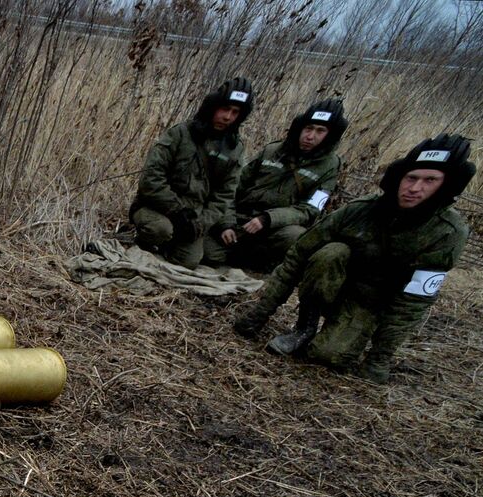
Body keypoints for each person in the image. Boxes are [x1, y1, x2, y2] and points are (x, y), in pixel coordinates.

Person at [232, 134, 473, 383]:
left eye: (429, 181)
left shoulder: (447, 233)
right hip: (333, 286)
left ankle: (342, 335)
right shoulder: (361, 209)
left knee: (327, 356)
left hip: (370, 303)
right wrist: (258, 315)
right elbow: (299, 254)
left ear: (446, 187)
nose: (414, 188)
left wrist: (379, 358)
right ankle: (304, 328)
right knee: (331, 252)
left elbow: (413, 301)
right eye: (411, 178)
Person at [204, 99, 348, 271]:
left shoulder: (330, 166)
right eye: (308, 128)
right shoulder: (272, 151)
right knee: (206, 254)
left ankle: (259, 263)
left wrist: (268, 219)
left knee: (296, 236)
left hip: (273, 230)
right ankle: (237, 256)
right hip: (240, 221)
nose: (310, 136)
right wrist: (226, 223)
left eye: (320, 131)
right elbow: (230, 187)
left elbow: (311, 209)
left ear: (330, 135)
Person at [130, 77, 253, 268]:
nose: (227, 117)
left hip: (194, 218)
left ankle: (167, 247)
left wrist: (201, 224)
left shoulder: (234, 150)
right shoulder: (180, 133)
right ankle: (144, 242)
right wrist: (177, 211)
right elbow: (151, 179)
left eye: (234, 112)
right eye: (224, 109)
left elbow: (224, 195)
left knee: (189, 262)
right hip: (157, 207)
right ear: (212, 106)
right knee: (160, 230)